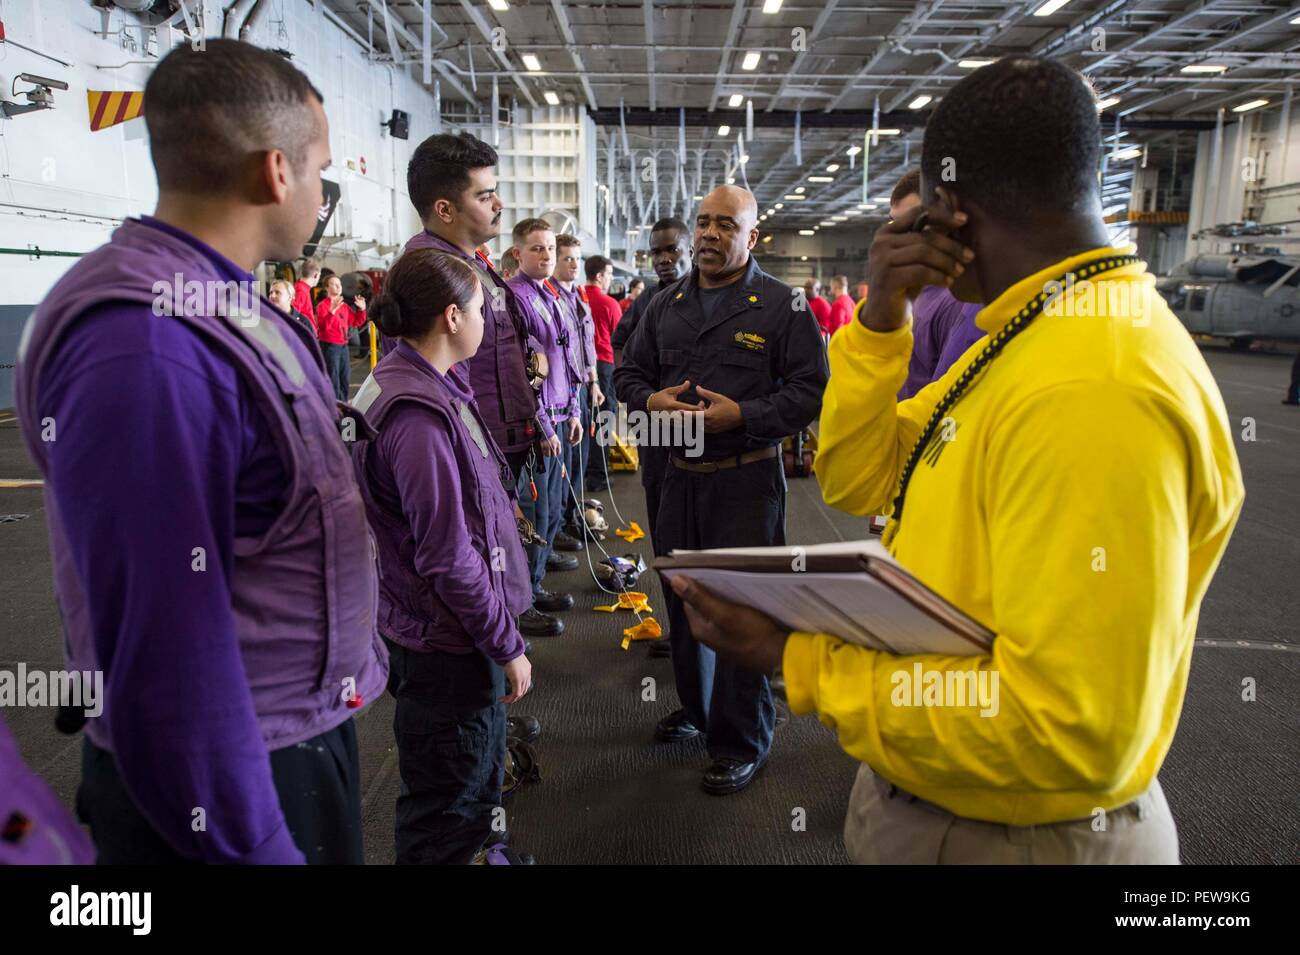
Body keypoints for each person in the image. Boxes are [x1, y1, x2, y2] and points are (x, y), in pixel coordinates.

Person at [670, 56, 1245, 862]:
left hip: (1016, 836)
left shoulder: (1093, 381)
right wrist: (876, 321)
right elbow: (859, 473)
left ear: (948, 215)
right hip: (956, 800)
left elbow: (1069, 731)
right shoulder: (1028, 336)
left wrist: (800, 658)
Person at [14, 39, 387, 865]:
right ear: (276, 172)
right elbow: (162, 652)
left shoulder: (223, 301)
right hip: (227, 777)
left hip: (283, 735)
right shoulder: (147, 342)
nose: (326, 193)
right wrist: (254, 842)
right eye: (323, 169)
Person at [615, 185, 828, 795]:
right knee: (683, 600)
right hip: (673, 478)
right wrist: (646, 399)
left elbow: (811, 390)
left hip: (744, 480)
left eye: (724, 225)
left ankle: (741, 739)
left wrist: (746, 415)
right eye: (703, 223)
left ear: (751, 237)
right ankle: (700, 709)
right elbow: (627, 373)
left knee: (743, 612)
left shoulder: (782, 306)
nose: (709, 234)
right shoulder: (666, 302)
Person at [351, 249, 534, 865]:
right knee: (450, 806)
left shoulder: (419, 380)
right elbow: (448, 557)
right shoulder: (418, 416)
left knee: (467, 788)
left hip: (433, 630)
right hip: (450, 644)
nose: (490, 320)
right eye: (483, 309)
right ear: (453, 318)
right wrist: (505, 642)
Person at [402, 134, 557, 638]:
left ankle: (494, 670)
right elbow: (446, 383)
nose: (500, 203)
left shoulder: (476, 264)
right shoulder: (434, 272)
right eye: (485, 194)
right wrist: (491, 470)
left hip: (500, 437)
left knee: (499, 558)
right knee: (472, 564)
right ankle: (481, 695)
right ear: (444, 208)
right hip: (471, 449)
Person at [612, 216, 693, 660]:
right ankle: (679, 632)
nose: (664, 260)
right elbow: (621, 347)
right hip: (659, 436)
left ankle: (714, 646)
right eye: (656, 252)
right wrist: (645, 394)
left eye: (671, 250)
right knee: (665, 536)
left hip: (708, 439)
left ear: (690, 248)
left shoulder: (707, 296)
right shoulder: (647, 303)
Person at [507, 219, 584, 621]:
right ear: (518, 253)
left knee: (552, 512)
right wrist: (543, 426)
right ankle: (524, 598)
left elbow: (566, 359)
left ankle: (535, 583)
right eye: (537, 248)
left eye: (550, 247)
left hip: (560, 415)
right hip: (537, 427)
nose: (547, 255)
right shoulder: (515, 298)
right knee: (534, 516)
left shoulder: (550, 295)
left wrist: (573, 411)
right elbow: (521, 372)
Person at [888, 169, 986, 399]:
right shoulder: (914, 290)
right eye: (896, 224)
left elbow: (949, 400)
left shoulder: (965, 300)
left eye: (917, 224)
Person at [552, 233, 603, 549]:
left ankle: (570, 517)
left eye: (577, 258)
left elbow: (588, 347)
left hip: (583, 389)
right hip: (562, 394)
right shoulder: (553, 300)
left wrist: (595, 383)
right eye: (567, 258)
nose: (574, 264)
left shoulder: (578, 298)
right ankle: (556, 526)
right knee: (562, 467)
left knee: (578, 462)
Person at [583, 255, 623, 491]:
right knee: (604, 420)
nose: (610, 279)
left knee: (586, 420)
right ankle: (599, 476)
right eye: (609, 274)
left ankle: (587, 469)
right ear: (599, 276)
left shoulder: (576, 297)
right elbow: (619, 339)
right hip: (604, 366)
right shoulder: (609, 304)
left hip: (581, 368)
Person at [315, 274, 367, 400]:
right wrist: (331, 313)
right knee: (333, 379)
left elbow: (355, 322)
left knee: (345, 377)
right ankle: (334, 406)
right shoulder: (322, 306)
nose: (339, 286)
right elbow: (323, 328)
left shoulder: (344, 306)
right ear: (326, 288)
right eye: (334, 284)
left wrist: (362, 310)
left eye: (339, 284)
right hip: (330, 347)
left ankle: (343, 404)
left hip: (343, 346)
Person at [293, 257, 321, 321]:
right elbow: (293, 316)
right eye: (319, 276)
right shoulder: (301, 291)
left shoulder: (299, 287)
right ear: (315, 275)